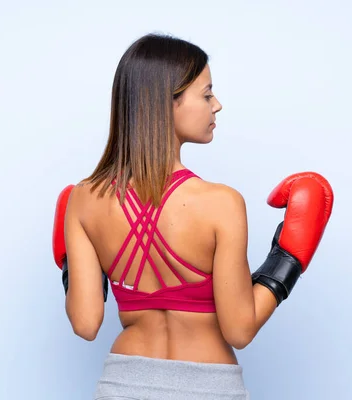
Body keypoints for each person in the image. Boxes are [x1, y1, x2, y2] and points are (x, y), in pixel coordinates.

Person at [51, 33, 334, 400]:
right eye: (206, 94)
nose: (217, 105)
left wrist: (71, 266)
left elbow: (86, 324)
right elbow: (239, 331)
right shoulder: (221, 202)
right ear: (167, 103)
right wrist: (288, 260)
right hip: (208, 387)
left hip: (122, 383)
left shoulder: (84, 199)